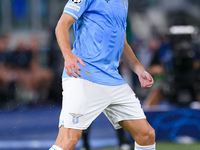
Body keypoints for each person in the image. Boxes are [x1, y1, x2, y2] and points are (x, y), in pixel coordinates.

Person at [50, 0, 155, 150]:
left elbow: (122, 43)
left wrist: (139, 70)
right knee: (68, 140)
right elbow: (62, 24)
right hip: (84, 75)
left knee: (146, 135)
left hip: (112, 79)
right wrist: (68, 55)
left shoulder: (123, 2)